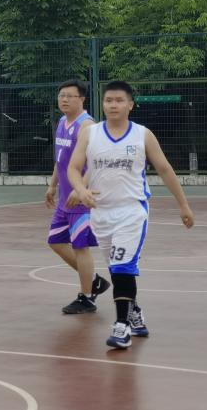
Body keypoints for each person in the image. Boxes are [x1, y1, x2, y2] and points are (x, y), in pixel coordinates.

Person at [66, 80, 195, 350]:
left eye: (119, 100)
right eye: (108, 100)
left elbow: (165, 169)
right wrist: (81, 189)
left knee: (123, 267)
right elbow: (74, 168)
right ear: (102, 104)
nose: (113, 105)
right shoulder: (90, 134)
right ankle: (133, 310)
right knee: (116, 270)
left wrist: (183, 205)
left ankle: (121, 327)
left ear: (130, 105)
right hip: (100, 213)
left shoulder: (142, 135)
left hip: (131, 211)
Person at [45, 80, 110, 314]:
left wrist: (80, 187)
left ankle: (87, 297)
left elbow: (96, 163)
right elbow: (61, 159)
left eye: (69, 96)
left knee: (80, 247)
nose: (63, 99)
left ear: (81, 99)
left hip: (81, 200)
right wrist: (52, 185)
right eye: (61, 95)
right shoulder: (62, 122)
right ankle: (94, 281)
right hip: (65, 199)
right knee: (55, 242)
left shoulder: (87, 126)